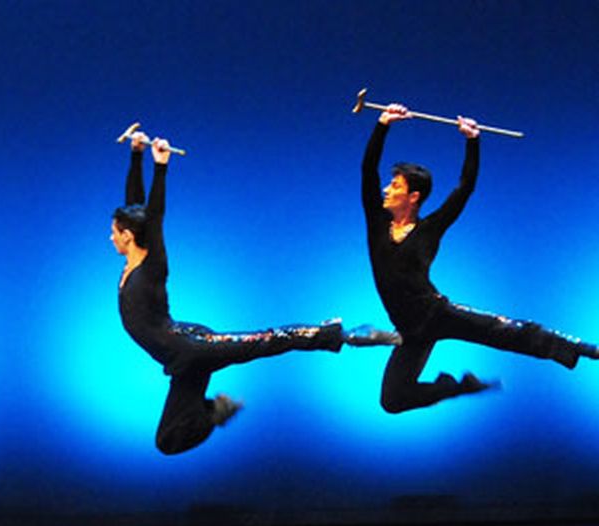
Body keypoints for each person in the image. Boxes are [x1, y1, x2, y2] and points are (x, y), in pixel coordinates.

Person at [114, 132, 398, 455]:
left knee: (268, 339)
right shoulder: (133, 255)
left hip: (192, 347)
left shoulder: (152, 267)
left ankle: (346, 334)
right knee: (168, 441)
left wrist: (161, 167)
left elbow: (154, 218)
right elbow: (136, 208)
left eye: (114, 232)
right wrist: (136, 154)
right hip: (181, 360)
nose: (110, 238)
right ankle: (215, 411)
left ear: (127, 236)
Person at [361, 103, 597, 413]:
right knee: (392, 401)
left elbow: (464, 189)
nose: (386, 189)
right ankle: (456, 386)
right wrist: (383, 124)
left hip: (436, 314)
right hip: (409, 333)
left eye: (395, 185)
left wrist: (472, 141)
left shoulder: (430, 229)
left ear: (413, 196)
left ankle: (580, 348)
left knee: (505, 332)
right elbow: (368, 170)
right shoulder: (378, 223)